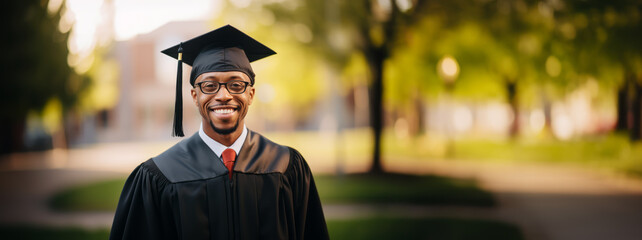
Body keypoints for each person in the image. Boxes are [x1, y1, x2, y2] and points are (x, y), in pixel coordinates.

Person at [109, 25, 329, 240]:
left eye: (236, 85)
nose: (223, 95)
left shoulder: (286, 166)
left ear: (251, 94)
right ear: (195, 96)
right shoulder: (160, 175)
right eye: (209, 86)